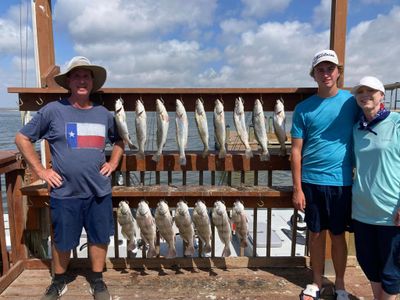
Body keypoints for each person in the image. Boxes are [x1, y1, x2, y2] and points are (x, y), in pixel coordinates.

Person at [15, 56, 124, 300]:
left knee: (99, 237)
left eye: (86, 76)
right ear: (69, 82)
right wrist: (41, 171)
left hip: (99, 190)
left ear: (92, 82)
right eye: (77, 76)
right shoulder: (53, 111)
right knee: (63, 240)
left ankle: (97, 279)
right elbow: (22, 138)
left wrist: (113, 162)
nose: (82, 80)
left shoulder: (104, 114)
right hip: (65, 192)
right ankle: (59, 280)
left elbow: (119, 140)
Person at [290, 49, 359, 300]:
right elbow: (296, 151)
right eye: (321, 69)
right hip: (311, 181)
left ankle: (340, 285)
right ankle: (316, 283)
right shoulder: (303, 109)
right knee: (316, 234)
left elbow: (373, 121)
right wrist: (297, 188)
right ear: (314, 74)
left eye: (331, 68)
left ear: (339, 72)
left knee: (339, 235)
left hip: (343, 182)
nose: (326, 73)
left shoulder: (352, 102)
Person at [351, 76, 400, 300]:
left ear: (382, 96)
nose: (365, 95)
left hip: (391, 213)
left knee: (392, 273)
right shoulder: (356, 129)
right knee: (369, 265)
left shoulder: (397, 123)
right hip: (362, 212)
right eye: (360, 91)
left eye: (371, 91)